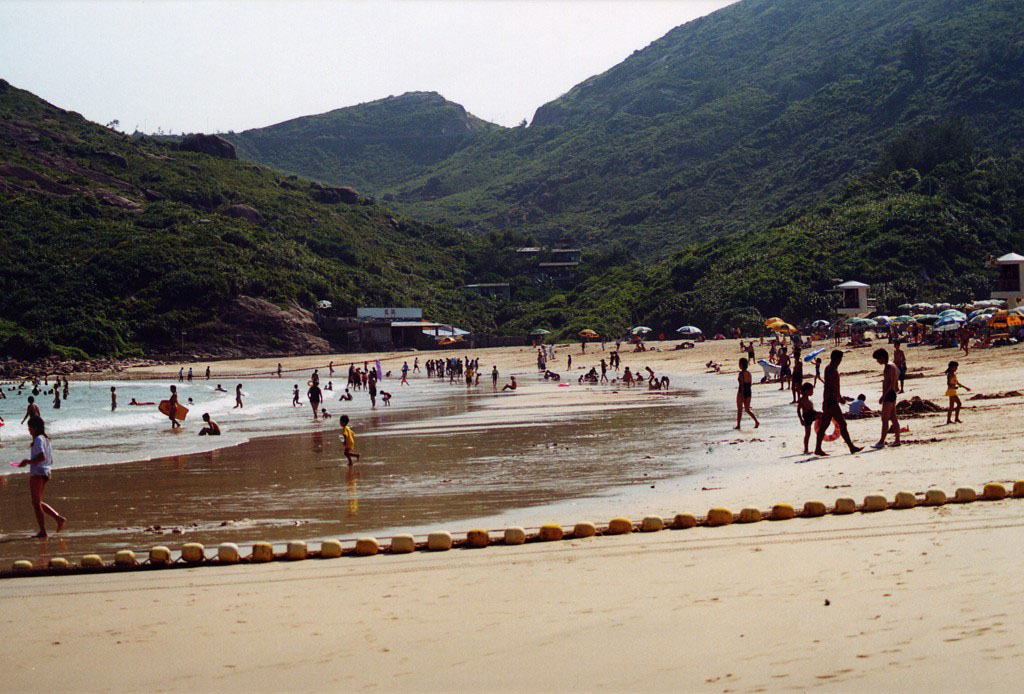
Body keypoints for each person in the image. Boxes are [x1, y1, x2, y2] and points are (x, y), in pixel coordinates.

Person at [18, 416, 66, 538]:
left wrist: (28, 461)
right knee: (37, 502)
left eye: (29, 427)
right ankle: (58, 518)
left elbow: (42, 457)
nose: (29, 430)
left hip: (38, 473)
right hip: (45, 472)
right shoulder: (46, 439)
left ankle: (43, 531)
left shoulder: (39, 439)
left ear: (35, 428)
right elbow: (50, 459)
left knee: (35, 503)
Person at [814, 350, 862, 456]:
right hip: (831, 402)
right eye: (840, 358)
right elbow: (833, 387)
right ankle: (851, 447)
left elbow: (830, 387)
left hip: (829, 401)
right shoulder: (832, 370)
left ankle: (818, 448)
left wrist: (838, 398)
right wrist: (839, 398)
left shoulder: (829, 369)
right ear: (837, 359)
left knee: (825, 425)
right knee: (842, 424)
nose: (840, 361)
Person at [872, 348, 901, 449]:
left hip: (889, 394)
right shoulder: (892, 365)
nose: (877, 361)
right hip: (891, 393)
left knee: (885, 419)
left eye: (878, 359)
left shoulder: (889, 367)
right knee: (893, 417)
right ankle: (897, 440)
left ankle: (881, 441)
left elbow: (891, 384)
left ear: (882, 357)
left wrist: (883, 396)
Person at [735, 358, 759, 430]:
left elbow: (742, 385)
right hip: (748, 391)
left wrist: (742, 395)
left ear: (741, 365)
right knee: (747, 409)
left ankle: (738, 425)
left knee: (740, 409)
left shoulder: (741, 374)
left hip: (741, 392)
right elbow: (750, 384)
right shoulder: (749, 373)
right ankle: (756, 421)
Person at [797, 382, 817, 454]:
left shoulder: (809, 400)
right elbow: (798, 410)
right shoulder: (801, 400)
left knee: (822, 415)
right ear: (806, 391)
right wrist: (801, 420)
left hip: (811, 414)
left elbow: (812, 410)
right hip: (807, 416)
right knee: (807, 434)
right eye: (811, 390)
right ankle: (806, 449)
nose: (812, 392)